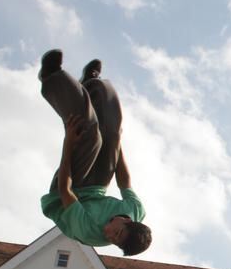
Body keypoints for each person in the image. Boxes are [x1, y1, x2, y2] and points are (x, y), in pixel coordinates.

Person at [38, 49, 151, 256]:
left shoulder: (89, 231)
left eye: (113, 241)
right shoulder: (136, 210)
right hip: (95, 188)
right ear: (127, 219)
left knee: (89, 136)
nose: (108, 236)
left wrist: (69, 141)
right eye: (116, 233)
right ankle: (91, 84)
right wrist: (117, 143)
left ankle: (51, 77)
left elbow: (65, 189)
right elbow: (124, 181)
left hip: (65, 192)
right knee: (111, 131)